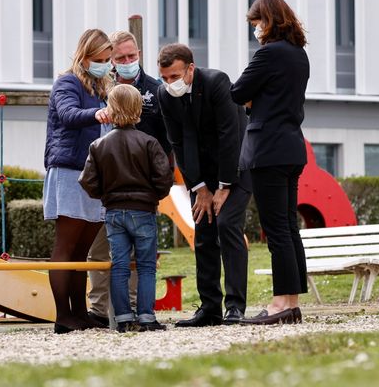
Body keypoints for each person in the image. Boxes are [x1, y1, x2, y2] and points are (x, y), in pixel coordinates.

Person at [157, 43, 252, 327]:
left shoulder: (216, 82)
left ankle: (235, 307)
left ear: (190, 69)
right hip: (204, 177)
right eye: (165, 78)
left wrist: (223, 187)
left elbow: (230, 135)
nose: (170, 84)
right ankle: (210, 308)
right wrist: (200, 189)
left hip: (238, 166)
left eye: (175, 76)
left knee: (227, 225)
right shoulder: (165, 95)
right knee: (204, 232)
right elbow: (178, 144)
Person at [230, 0, 309, 325]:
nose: (256, 29)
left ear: (268, 20)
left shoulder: (268, 54)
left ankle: (279, 304)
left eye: (257, 22)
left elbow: (237, 92)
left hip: (267, 150)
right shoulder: (299, 55)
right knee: (289, 227)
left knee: (276, 229)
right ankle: (291, 302)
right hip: (292, 146)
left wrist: (253, 100)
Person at [86, 30, 172, 327]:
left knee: (121, 263)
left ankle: (123, 317)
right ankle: (140, 315)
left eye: (131, 56)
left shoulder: (156, 91)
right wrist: (155, 193)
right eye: (120, 58)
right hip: (141, 204)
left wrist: (105, 194)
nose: (126, 62)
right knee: (145, 263)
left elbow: (89, 178)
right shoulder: (98, 87)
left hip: (114, 206)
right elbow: (163, 173)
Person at [43, 28, 114, 334]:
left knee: (81, 252)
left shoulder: (102, 86)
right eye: (99, 59)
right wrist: (98, 114)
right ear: (84, 57)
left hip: (93, 173)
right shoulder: (67, 82)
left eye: (107, 59)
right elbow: (68, 114)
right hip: (70, 171)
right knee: (66, 248)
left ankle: (79, 313)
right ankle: (63, 315)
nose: (105, 64)